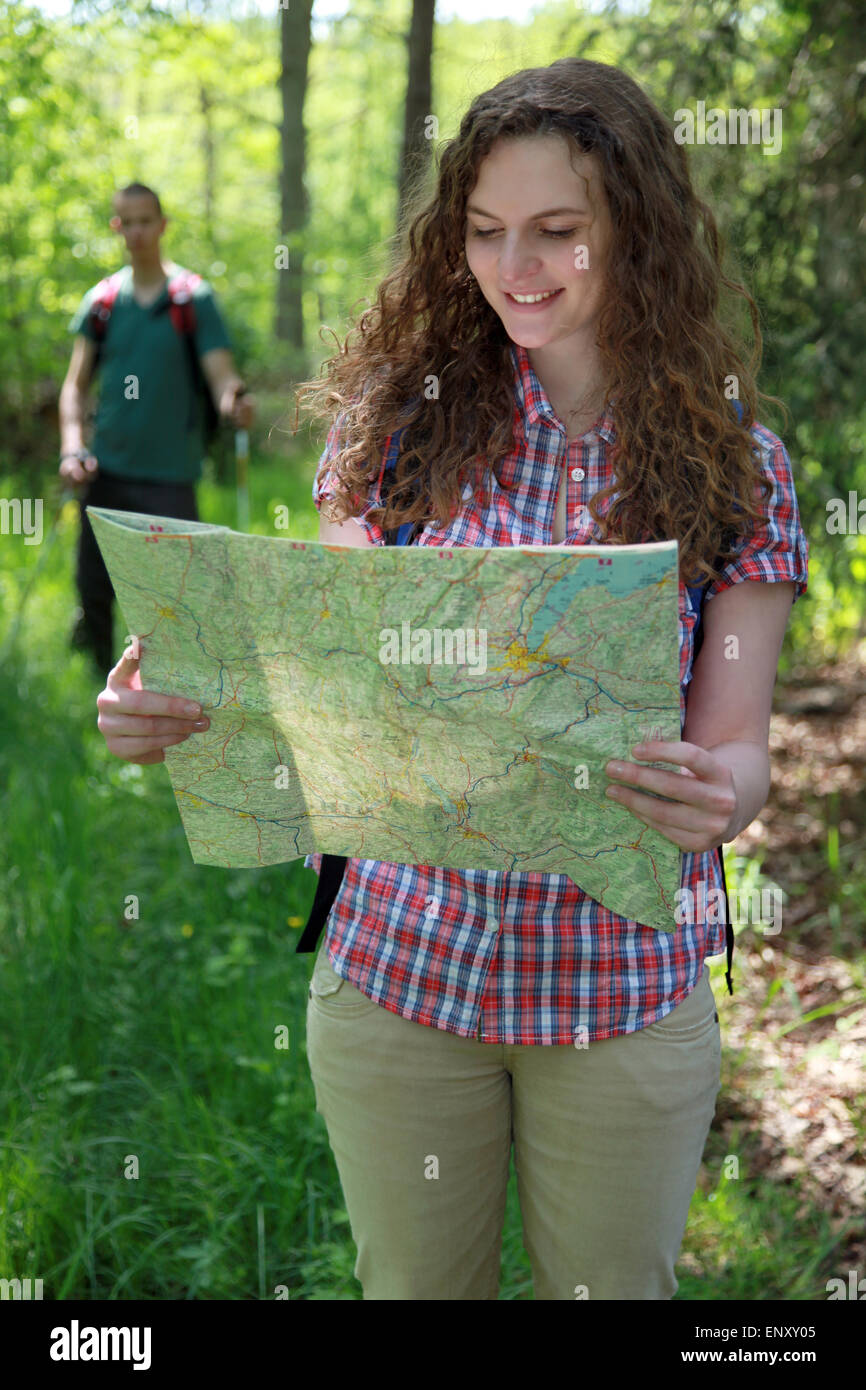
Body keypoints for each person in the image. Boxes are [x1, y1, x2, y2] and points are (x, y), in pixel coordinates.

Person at [95, 59, 809, 1299]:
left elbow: (736, 740)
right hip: (398, 977)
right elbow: (326, 695)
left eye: (556, 232)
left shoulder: (736, 464)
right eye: (483, 233)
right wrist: (176, 706)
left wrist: (720, 794)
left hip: (623, 991)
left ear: (632, 227)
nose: (513, 267)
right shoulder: (391, 429)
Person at [60, 182, 255, 679]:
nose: (138, 231)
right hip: (106, 471)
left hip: (170, 477)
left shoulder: (192, 299)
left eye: (147, 220)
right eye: (129, 221)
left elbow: (221, 376)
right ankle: (99, 697)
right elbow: (75, 388)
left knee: (176, 597)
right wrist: (72, 447)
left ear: (163, 225)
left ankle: (172, 694)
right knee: (94, 588)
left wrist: (234, 400)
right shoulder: (102, 302)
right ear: (117, 227)